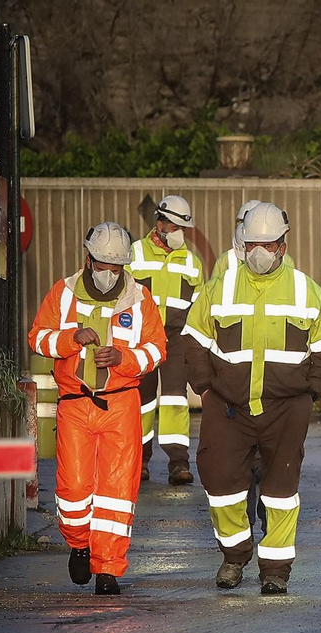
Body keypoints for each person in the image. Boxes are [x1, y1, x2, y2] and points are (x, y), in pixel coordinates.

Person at [182, 202, 321, 595]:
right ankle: (234, 554)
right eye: (252, 243)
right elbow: (194, 340)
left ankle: (275, 569)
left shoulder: (305, 289)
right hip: (228, 407)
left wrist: (309, 393)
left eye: (267, 244)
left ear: (283, 246)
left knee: (280, 490)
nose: (258, 252)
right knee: (220, 482)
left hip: (286, 410)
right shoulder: (220, 285)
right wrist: (206, 387)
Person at [28, 222, 167, 595]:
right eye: (102, 264)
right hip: (74, 404)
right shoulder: (63, 293)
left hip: (121, 405)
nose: (108, 273)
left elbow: (157, 349)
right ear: (88, 259)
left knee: (117, 492)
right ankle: (79, 544)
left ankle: (109, 569)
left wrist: (122, 357)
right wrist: (70, 339)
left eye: (115, 267)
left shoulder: (141, 299)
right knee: (73, 489)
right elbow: (38, 337)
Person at [127, 195, 203, 485]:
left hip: (176, 339)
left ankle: (178, 463)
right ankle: (140, 461)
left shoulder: (191, 263)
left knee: (175, 400)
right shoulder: (135, 254)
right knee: (141, 402)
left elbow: (198, 307)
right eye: (174, 226)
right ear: (159, 224)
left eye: (183, 228)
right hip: (142, 338)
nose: (179, 234)